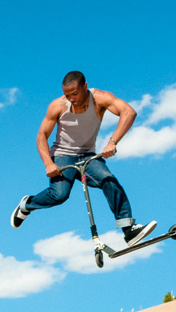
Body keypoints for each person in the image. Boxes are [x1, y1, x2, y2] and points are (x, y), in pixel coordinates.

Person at [11, 71, 156, 246]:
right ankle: (27, 205)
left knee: (109, 180)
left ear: (85, 86)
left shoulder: (100, 98)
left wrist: (112, 142)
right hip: (62, 155)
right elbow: (42, 136)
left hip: (87, 155)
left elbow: (128, 112)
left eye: (75, 94)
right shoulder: (57, 106)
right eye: (67, 95)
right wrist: (48, 163)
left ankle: (128, 230)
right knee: (59, 195)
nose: (71, 99)